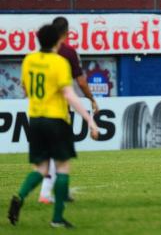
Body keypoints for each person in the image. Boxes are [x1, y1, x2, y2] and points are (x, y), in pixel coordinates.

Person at [7, 24, 99, 228]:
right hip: (56, 119)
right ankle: (57, 219)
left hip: (36, 119)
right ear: (58, 40)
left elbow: (25, 87)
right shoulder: (59, 63)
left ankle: (20, 196)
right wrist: (89, 120)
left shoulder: (29, 59)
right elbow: (69, 94)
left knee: (40, 168)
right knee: (63, 168)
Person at [38, 16, 99, 205]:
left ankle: (54, 192)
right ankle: (46, 195)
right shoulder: (69, 53)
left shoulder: (37, 55)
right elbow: (80, 82)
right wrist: (91, 100)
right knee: (60, 155)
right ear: (67, 32)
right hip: (59, 110)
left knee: (49, 154)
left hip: (38, 109)